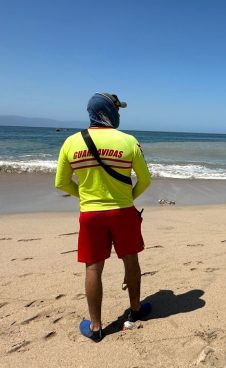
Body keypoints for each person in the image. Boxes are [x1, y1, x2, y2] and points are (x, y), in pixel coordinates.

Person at [55, 92, 152, 342]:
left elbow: (61, 183)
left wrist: (85, 197)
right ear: (108, 112)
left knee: (93, 267)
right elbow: (146, 179)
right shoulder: (129, 141)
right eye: (117, 110)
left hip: (91, 215)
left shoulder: (71, 143)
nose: (119, 114)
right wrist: (129, 197)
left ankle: (96, 327)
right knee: (130, 260)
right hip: (123, 212)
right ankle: (137, 309)